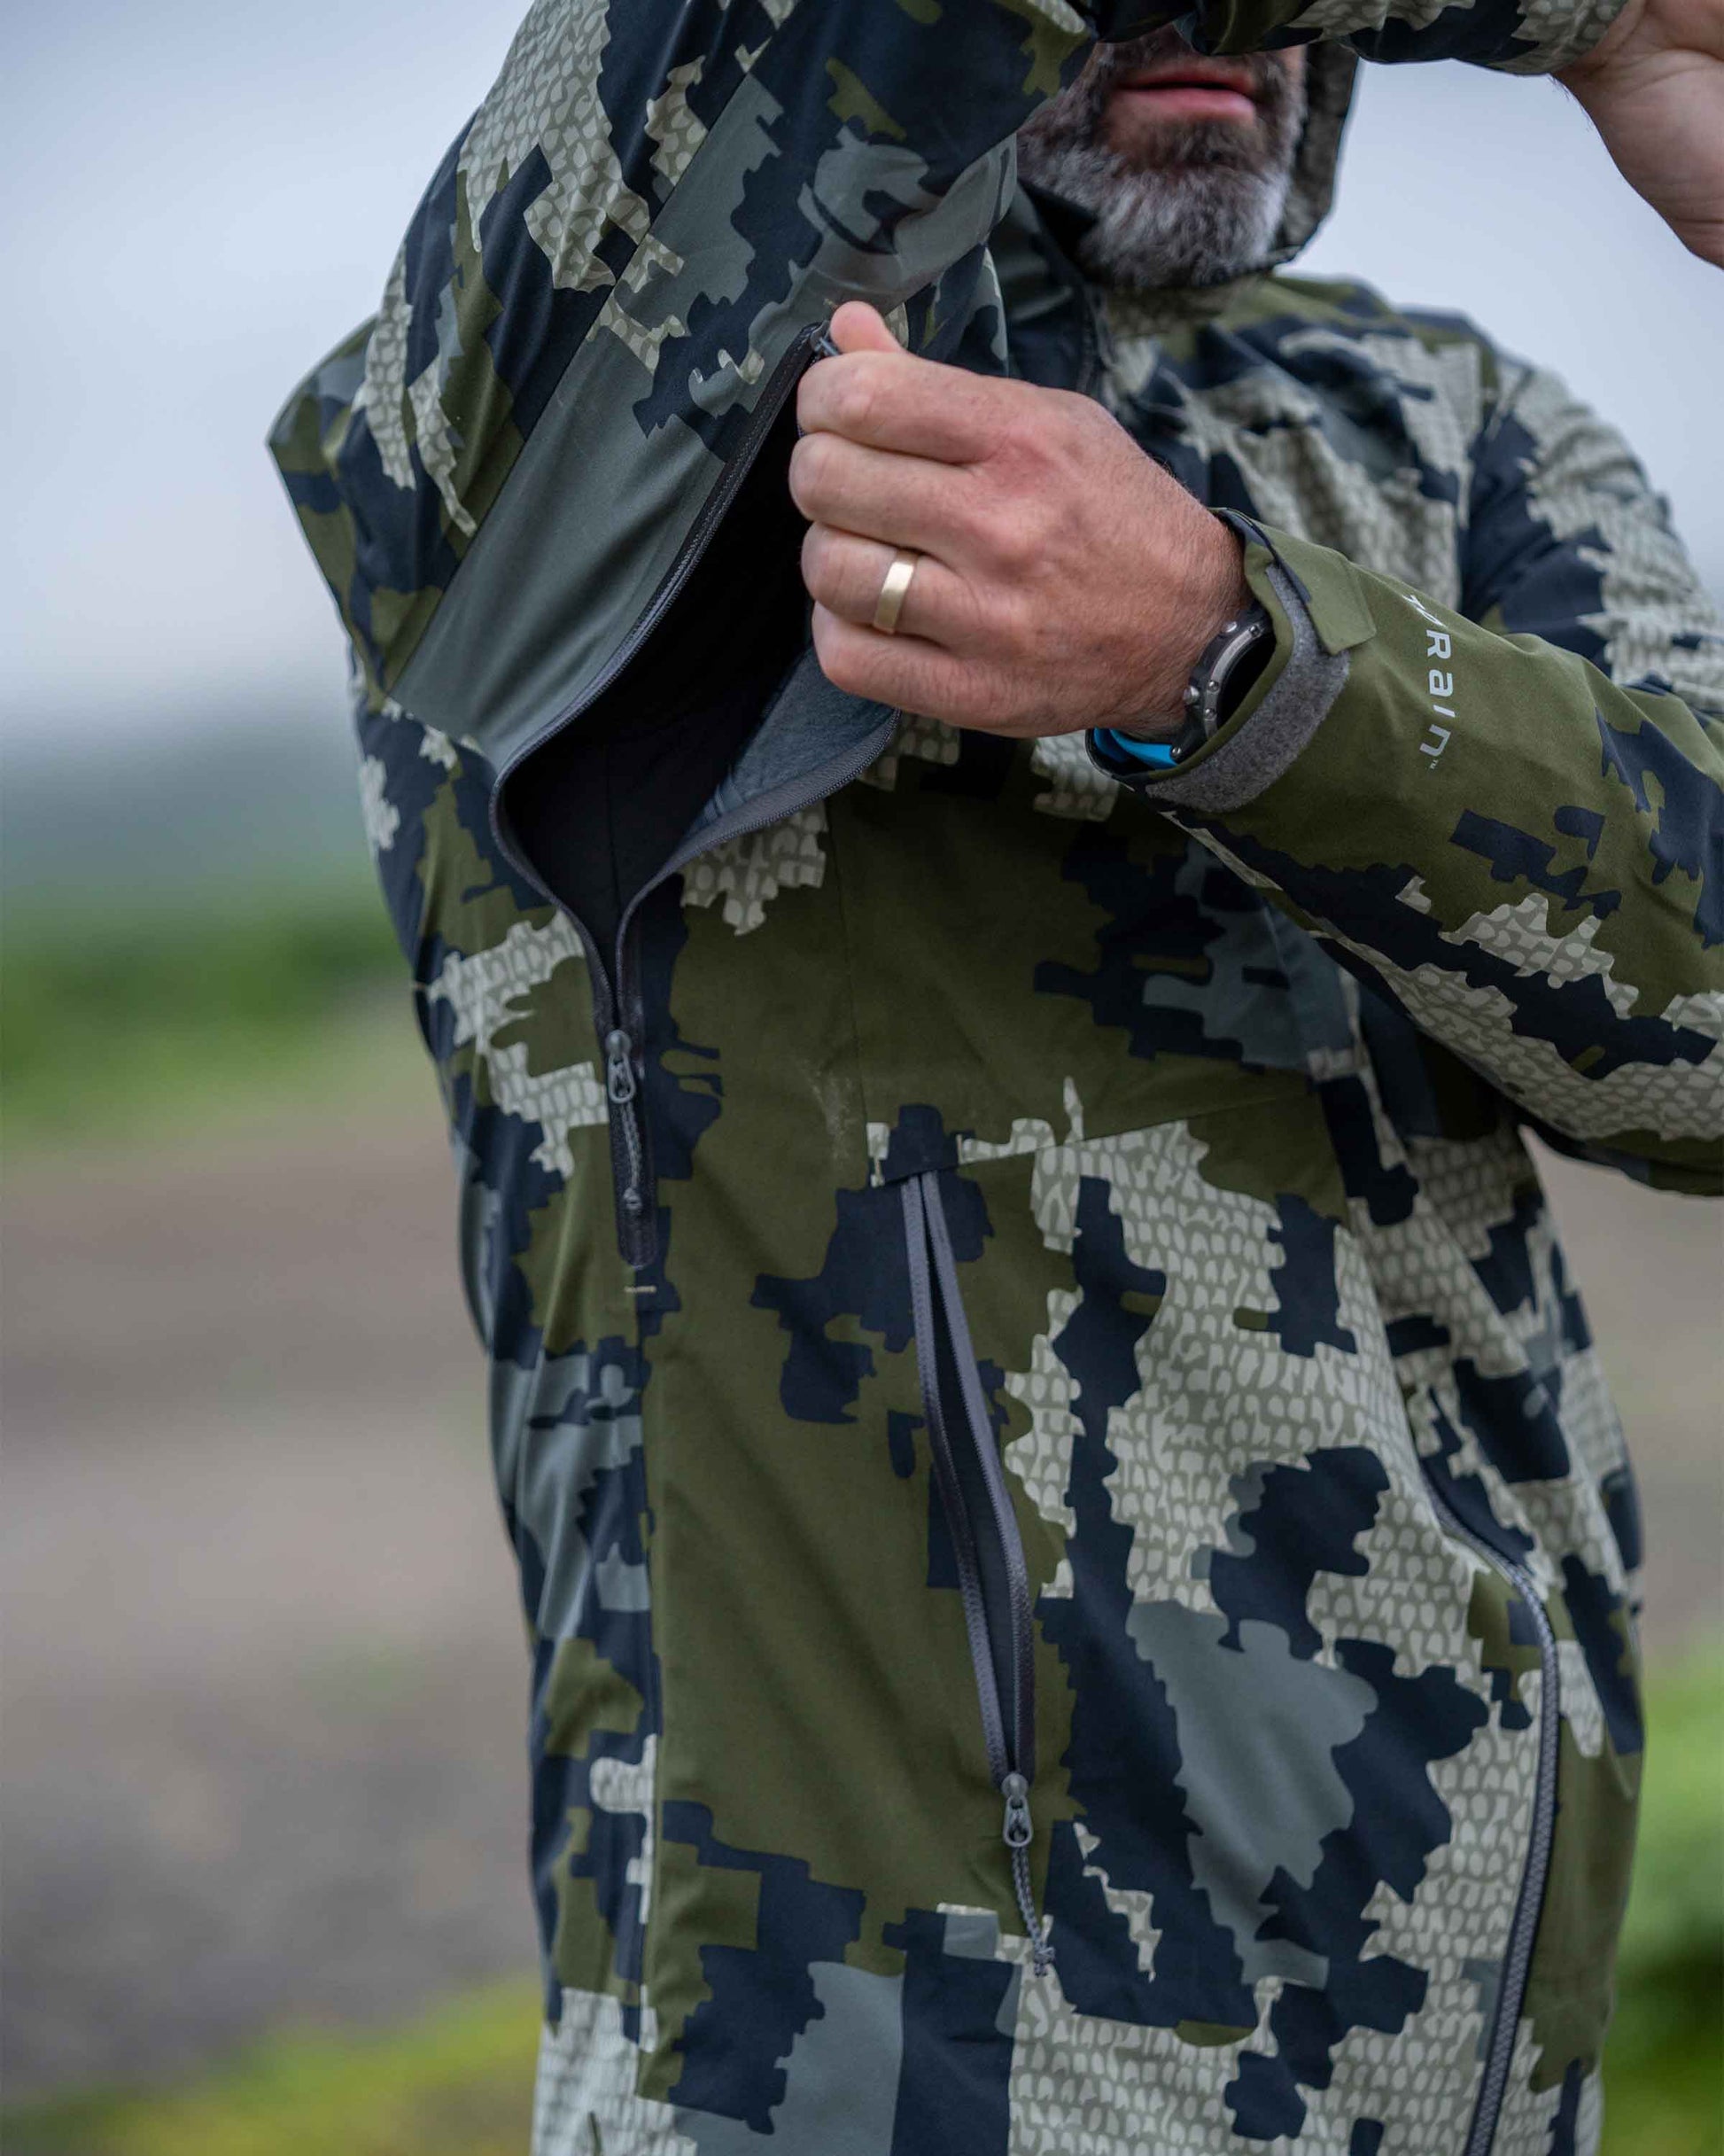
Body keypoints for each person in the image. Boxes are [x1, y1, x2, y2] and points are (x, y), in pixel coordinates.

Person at [270, 0, 1722, 2147]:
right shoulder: (569, 373)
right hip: (873, 2073)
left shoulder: (1452, 418)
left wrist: (1233, 658)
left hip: (1489, 2055)